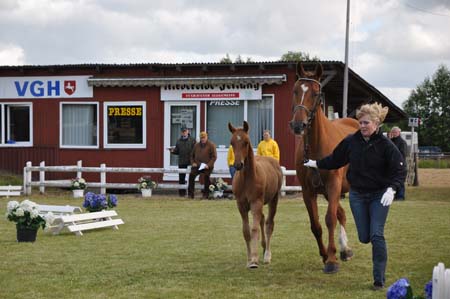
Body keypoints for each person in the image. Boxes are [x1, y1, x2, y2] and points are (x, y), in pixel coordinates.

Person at [303, 102, 406, 291]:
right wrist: (316, 163)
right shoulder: (351, 141)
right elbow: (335, 159)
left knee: (376, 235)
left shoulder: (386, 145)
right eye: (361, 122)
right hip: (357, 195)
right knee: (364, 237)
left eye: (366, 123)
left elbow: (400, 169)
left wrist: (392, 189)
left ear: (376, 124)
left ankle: (378, 279)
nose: (363, 126)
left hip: (379, 196)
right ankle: (364, 244)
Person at [188, 131, 217, 199]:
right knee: (191, 175)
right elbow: (191, 155)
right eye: (201, 138)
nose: (202, 139)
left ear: (207, 137)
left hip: (207, 166)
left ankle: (206, 194)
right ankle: (190, 194)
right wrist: (193, 163)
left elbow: (214, 157)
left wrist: (209, 165)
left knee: (206, 177)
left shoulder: (211, 145)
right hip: (197, 165)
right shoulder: (196, 145)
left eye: (204, 138)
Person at [169, 127, 196, 197]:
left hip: (190, 161)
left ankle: (190, 193)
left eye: (185, 131)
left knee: (191, 178)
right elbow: (177, 151)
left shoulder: (193, 140)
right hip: (182, 161)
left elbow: (195, 151)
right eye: (183, 131)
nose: (184, 132)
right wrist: (172, 151)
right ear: (181, 132)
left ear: (188, 131)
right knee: (181, 178)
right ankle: (182, 194)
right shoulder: (178, 141)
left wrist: (194, 160)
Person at [390, 126, 407, 200]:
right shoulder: (390, 141)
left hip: (400, 164)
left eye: (395, 132)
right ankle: (393, 195)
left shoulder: (402, 142)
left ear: (399, 133)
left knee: (400, 180)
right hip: (391, 164)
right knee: (392, 180)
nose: (394, 133)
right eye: (393, 132)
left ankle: (400, 196)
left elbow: (403, 154)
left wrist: (400, 163)